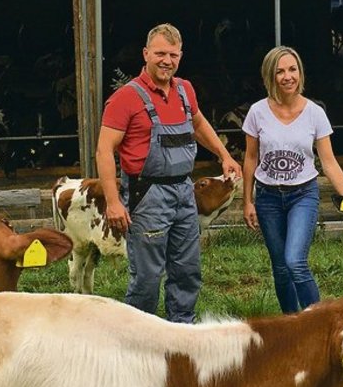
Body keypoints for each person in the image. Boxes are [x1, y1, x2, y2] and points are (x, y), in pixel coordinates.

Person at [96, 23, 241, 322]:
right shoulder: (125, 98)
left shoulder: (185, 90)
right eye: (160, 53)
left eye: (173, 55)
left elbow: (199, 125)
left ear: (180, 56)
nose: (167, 61)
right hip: (147, 194)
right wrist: (113, 201)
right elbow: (104, 151)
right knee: (148, 277)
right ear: (146, 54)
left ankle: (181, 333)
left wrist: (224, 155)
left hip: (183, 192)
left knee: (188, 270)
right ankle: (138, 338)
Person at [242, 45, 343, 314]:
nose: (287, 76)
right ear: (270, 76)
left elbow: (328, 161)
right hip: (268, 196)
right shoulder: (257, 112)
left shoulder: (315, 113)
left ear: (300, 73)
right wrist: (247, 201)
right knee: (280, 268)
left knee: (295, 262)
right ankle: (292, 324)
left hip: (302, 194)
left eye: (292, 69)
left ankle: (321, 322)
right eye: (280, 71)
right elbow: (250, 158)